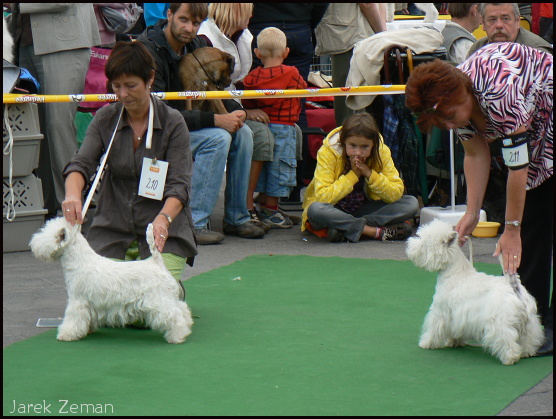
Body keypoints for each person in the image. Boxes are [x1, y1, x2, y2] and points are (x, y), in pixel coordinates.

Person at [404, 43, 553, 355]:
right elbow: (474, 153)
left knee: (525, 225)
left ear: (460, 95)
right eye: (440, 121)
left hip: (546, 122)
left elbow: (518, 168)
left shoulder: (500, 93)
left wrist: (511, 229)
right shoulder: (458, 106)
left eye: (448, 116)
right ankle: (533, 320)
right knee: (533, 222)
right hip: (533, 141)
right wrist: (472, 212)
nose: (447, 125)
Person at [62, 41, 197, 295]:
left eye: (131, 85)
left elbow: (180, 186)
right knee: (106, 299)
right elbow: (80, 165)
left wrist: (163, 219)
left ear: (150, 79)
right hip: (112, 229)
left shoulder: (173, 122)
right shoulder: (105, 118)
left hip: (163, 232)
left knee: (143, 309)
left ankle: (172, 289)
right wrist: (72, 195)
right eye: (116, 86)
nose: (123, 94)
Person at [137, 3, 266, 245]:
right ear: (169, 15)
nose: (189, 28)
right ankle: (194, 223)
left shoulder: (199, 45)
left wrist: (237, 112)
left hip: (188, 123)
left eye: (196, 23)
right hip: (155, 131)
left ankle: (237, 218)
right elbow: (157, 113)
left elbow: (215, 89)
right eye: (183, 20)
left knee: (244, 133)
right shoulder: (148, 51)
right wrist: (215, 120)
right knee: (218, 138)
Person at [9, 3, 101, 218]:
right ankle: (44, 206)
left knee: (58, 125)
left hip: (64, 43)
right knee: (34, 131)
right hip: (24, 42)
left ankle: (70, 205)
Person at [302, 113, 419, 242]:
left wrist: (369, 173)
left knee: (411, 203)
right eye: (352, 145)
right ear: (343, 142)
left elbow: (395, 193)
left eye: (364, 147)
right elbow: (322, 197)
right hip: (334, 209)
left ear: (373, 145)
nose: (358, 152)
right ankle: (372, 231)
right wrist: (353, 175)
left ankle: (344, 228)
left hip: (364, 209)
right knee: (315, 209)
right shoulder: (328, 152)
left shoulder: (382, 151)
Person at [242, 27, 308, 229]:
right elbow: (303, 89)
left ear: (257, 53)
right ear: (286, 52)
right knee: (281, 169)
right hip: (285, 128)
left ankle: (263, 204)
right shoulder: (292, 73)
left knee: (266, 168)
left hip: (264, 126)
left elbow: (247, 100)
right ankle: (271, 209)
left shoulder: (252, 77)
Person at [314, 3, 386, 126]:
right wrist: (383, 33)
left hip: (350, 35)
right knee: (351, 112)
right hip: (350, 37)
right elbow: (368, 5)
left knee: (352, 110)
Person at [467, 3, 552, 57]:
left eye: (505, 19)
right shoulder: (477, 50)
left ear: (517, 21)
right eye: (492, 20)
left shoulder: (537, 52)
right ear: (483, 23)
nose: (499, 25)